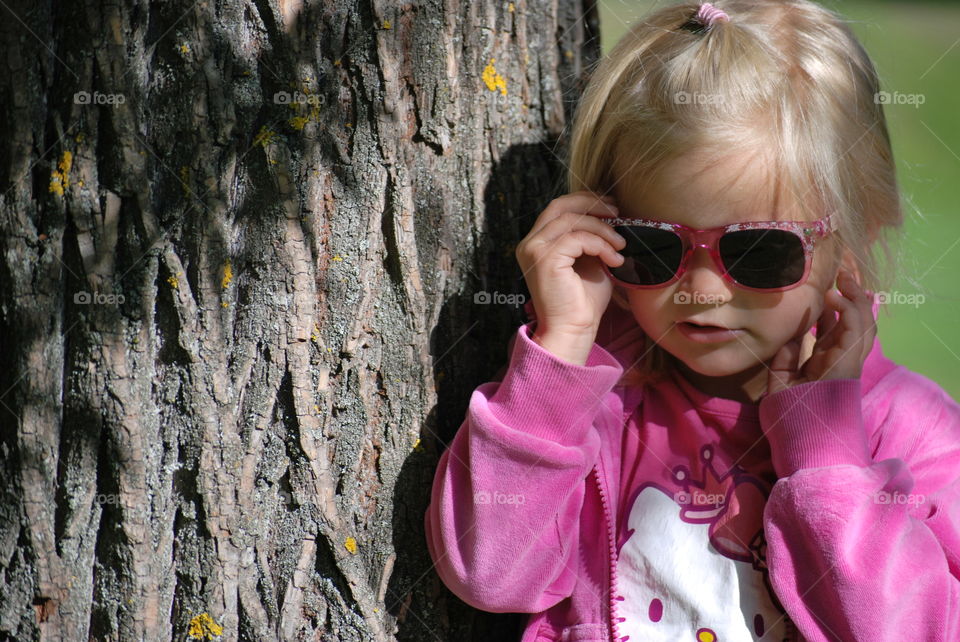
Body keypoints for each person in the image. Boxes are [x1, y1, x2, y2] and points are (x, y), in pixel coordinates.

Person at [424, 1, 960, 640]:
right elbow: (490, 574)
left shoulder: (911, 427)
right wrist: (561, 351)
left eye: (759, 251)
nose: (703, 290)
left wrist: (826, 460)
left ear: (851, 244)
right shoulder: (600, 400)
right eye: (655, 245)